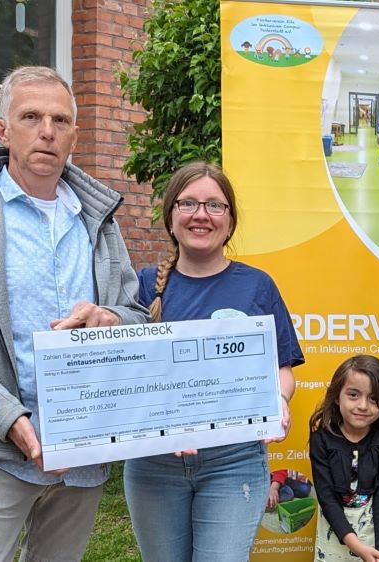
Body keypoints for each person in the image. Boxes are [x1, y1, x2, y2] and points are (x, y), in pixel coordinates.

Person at [0, 65, 149, 561]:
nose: (47, 131)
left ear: (75, 134)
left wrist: (110, 319)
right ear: (2, 129)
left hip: (82, 449)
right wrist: (10, 419)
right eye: (31, 116)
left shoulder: (98, 220)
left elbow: (136, 317)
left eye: (60, 120)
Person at [124, 161, 303, 561]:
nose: (201, 215)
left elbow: (282, 369)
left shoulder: (257, 285)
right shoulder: (140, 286)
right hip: (154, 465)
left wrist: (279, 399)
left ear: (230, 220)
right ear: (171, 216)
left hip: (234, 461)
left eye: (215, 205)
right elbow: (124, 376)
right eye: (188, 203)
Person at [309, 355, 379, 562]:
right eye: (353, 395)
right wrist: (355, 544)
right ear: (337, 396)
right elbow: (326, 496)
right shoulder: (321, 438)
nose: (363, 405)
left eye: (374, 398)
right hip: (336, 531)